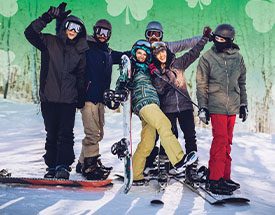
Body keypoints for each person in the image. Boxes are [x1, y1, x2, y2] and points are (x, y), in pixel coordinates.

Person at [118, 40, 198, 185]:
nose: (141, 56)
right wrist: (123, 86)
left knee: (148, 142)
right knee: (164, 124)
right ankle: (178, 159)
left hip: (153, 105)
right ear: (134, 53)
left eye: (144, 54)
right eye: (139, 53)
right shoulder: (132, 68)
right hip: (144, 102)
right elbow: (121, 84)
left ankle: (135, 175)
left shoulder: (150, 70)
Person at [24, 4, 88, 179]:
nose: (73, 31)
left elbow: (81, 75)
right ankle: (51, 166)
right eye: (70, 26)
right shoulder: (49, 42)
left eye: (78, 28)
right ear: (64, 27)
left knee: (65, 134)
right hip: (49, 97)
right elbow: (29, 33)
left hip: (69, 99)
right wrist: (47, 18)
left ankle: (62, 166)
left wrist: (81, 95)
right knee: (51, 133)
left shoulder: (80, 51)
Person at [148, 26, 212, 182]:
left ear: (167, 51)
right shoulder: (156, 72)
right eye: (157, 54)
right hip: (167, 109)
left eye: (163, 52)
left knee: (190, 137)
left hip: (185, 106)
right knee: (168, 136)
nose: (161, 55)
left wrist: (204, 39)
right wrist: (160, 75)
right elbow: (159, 90)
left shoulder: (179, 63)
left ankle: (192, 169)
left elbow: (193, 52)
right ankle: (164, 167)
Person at [196, 24, 248, 195]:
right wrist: (203, 106)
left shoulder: (238, 58)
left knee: (227, 143)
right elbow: (201, 85)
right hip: (216, 105)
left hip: (232, 106)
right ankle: (215, 180)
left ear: (230, 40)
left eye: (221, 40)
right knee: (220, 141)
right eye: (216, 39)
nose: (218, 42)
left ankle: (223, 176)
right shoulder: (207, 58)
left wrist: (243, 104)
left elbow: (242, 83)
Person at [76, 19, 130, 180]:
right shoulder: (86, 47)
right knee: (92, 133)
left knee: (98, 134)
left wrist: (137, 52)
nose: (101, 35)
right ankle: (90, 167)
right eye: (99, 31)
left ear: (109, 35)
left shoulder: (107, 52)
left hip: (100, 99)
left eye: (105, 33)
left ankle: (82, 162)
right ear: (94, 31)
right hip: (88, 98)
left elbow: (121, 56)